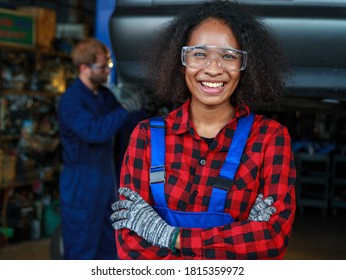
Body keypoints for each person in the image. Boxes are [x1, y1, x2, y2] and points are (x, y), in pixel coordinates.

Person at [110, 0, 296, 260]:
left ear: (246, 66)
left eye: (228, 55)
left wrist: (170, 236)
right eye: (199, 54)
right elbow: (129, 243)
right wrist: (239, 238)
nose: (213, 68)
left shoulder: (270, 139)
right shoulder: (146, 136)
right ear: (182, 61)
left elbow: (272, 238)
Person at [58, 38, 144, 259]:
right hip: (81, 184)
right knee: (82, 246)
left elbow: (126, 123)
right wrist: (125, 108)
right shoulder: (71, 101)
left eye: (109, 65)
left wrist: (147, 110)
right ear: (84, 68)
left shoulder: (103, 96)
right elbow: (95, 131)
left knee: (110, 243)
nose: (107, 71)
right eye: (102, 66)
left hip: (106, 180)